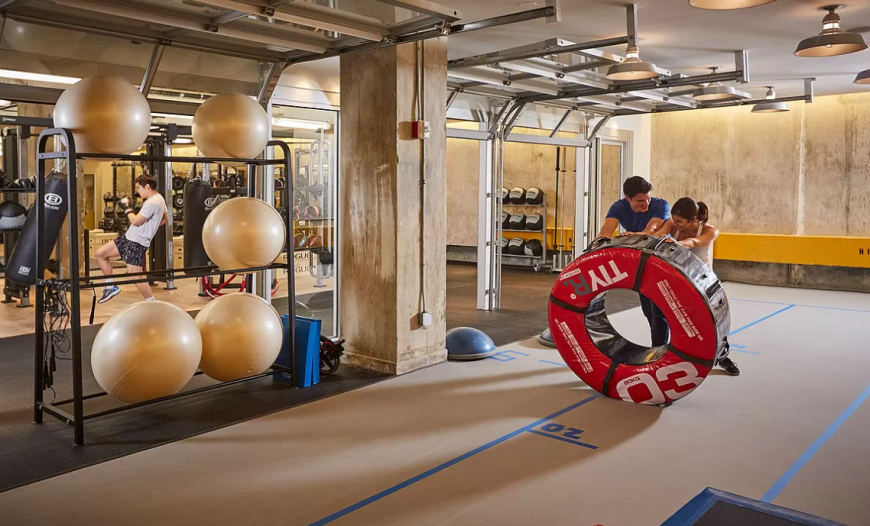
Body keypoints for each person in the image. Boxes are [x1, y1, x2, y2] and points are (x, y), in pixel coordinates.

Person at [659, 196, 740, 376]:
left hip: (704, 282)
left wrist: (675, 244)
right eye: (674, 219)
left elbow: (693, 243)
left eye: (680, 221)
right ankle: (671, 356)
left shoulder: (710, 231)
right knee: (678, 319)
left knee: (711, 322)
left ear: (693, 220)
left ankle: (722, 356)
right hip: (681, 278)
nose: (675, 224)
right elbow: (655, 236)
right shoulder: (672, 225)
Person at [594, 176, 670, 347]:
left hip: (662, 262)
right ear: (628, 198)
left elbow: (652, 228)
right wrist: (595, 247)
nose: (646, 204)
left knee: (658, 313)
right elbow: (605, 232)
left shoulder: (661, 205)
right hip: (643, 264)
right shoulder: (619, 207)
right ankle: (659, 346)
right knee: (648, 311)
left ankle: (658, 349)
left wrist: (634, 235)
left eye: (648, 198)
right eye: (640, 201)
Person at [95, 174, 168, 303]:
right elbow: (165, 219)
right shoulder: (160, 198)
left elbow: (135, 221)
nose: (138, 191)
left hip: (136, 242)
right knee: (100, 254)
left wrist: (127, 208)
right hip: (129, 237)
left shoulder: (152, 203)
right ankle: (110, 287)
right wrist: (150, 227)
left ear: (147, 187)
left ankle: (152, 304)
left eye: (139, 188)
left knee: (136, 276)